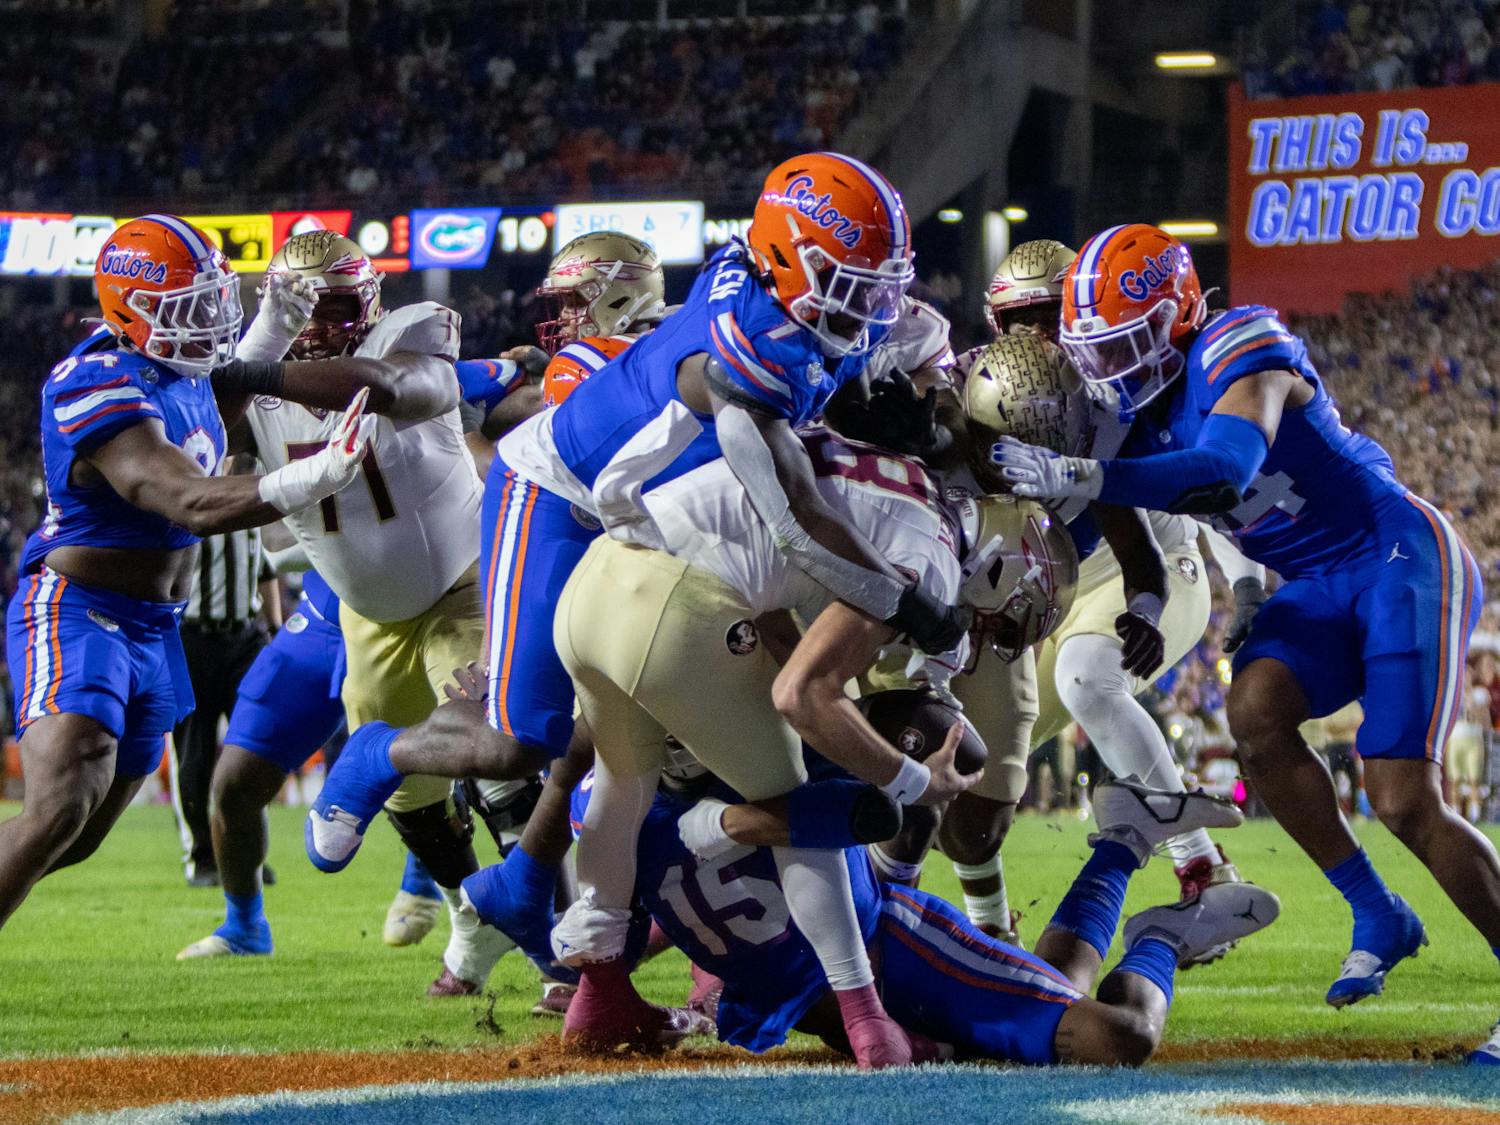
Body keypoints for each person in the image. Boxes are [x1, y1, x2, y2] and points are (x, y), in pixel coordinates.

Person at [992, 223, 1500, 1064]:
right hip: (1316, 583)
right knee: (1255, 712)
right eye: (1099, 351)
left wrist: (1083, 474)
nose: (1113, 370)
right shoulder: (1118, 414)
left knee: (1404, 794)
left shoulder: (1240, 339)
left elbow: (1224, 469)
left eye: (1130, 344)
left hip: (1397, 556)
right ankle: (1376, 908)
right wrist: (1148, 599)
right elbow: (1133, 540)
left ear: (1179, 314)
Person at [0, 214, 371, 934]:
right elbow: (188, 499)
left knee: (78, 833)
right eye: (188, 307)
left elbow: (210, 414)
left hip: (154, 624)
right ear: (131, 309)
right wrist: (320, 471)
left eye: (213, 300)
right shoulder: (94, 379)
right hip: (79, 607)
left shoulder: (180, 372)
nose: (209, 320)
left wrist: (273, 323)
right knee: (59, 805)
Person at [571, 725, 1279, 1067]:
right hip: (805, 1003)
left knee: (1120, 1037)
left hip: (897, 951)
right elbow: (653, 907)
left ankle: (1163, 933)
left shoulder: (769, 754)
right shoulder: (606, 803)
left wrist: (719, 825)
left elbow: (835, 811)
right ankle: (1127, 836)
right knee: (1053, 1003)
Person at [205, 229, 503, 996]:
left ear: (367, 300)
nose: (316, 324)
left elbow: (396, 386)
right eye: (299, 307)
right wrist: (261, 339)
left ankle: (568, 949)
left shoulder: (412, 329)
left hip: (459, 583)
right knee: (412, 798)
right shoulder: (258, 374)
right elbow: (198, 430)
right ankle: (468, 914)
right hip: (361, 609)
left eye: (332, 305)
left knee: (503, 749)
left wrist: (263, 362)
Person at [960, 335, 1273, 961]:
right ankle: (988, 930)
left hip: (1150, 571)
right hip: (1046, 594)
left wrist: (1244, 582)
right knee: (969, 751)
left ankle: (1203, 870)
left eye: (1051, 310)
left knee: (1087, 673)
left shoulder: (1117, 397)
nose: (1040, 331)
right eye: (1022, 318)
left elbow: (1217, 493)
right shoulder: (983, 395)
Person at [167, 479, 278, 888]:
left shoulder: (251, 486)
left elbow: (263, 565)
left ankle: (245, 854)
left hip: (245, 636)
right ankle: (201, 856)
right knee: (193, 752)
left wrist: (275, 627)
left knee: (258, 745)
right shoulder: (186, 490)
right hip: (192, 637)